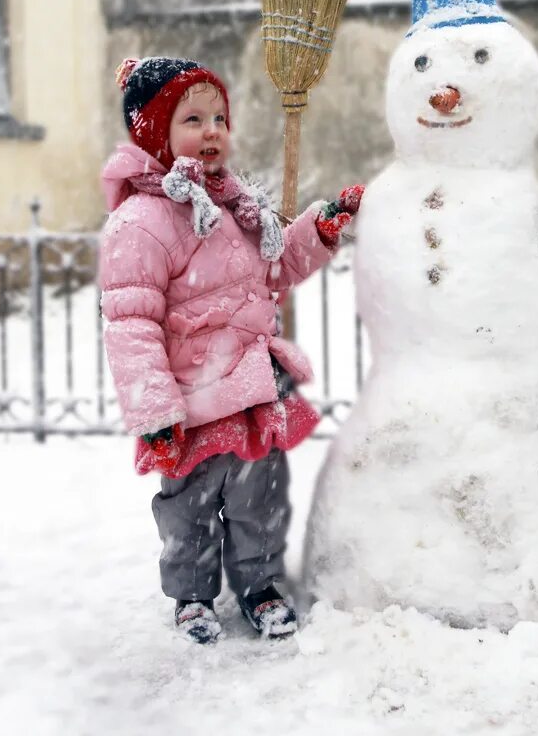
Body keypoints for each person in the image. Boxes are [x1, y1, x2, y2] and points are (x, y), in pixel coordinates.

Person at [99, 56, 361, 644]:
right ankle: (192, 595)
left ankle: (259, 584)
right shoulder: (141, 222)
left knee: (257, 500)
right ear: (153, 132)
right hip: (190, 399)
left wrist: (317, 230)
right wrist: (154, 412)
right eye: (192, 118)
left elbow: (274, 269)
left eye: (219, 116)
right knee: (189, 507)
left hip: (247, 386)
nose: (212, 129)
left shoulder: (232, 205)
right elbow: (131, 325)